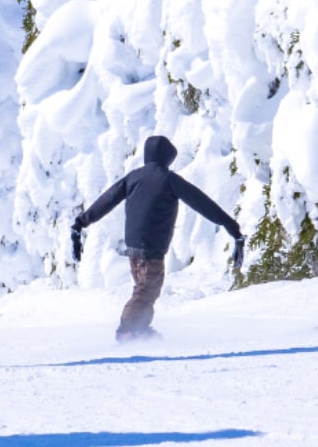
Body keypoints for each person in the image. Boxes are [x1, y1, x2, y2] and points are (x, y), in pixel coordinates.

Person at [72, 135, 242, 341]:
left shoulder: (133, 177)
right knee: (146, 291)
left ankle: (140, 329)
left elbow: (106, 200)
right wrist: (232, 228)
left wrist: (81, 222)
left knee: (145, 288)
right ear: (167, 157)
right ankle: (127, 330)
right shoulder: (168, 179)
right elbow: (203, 204)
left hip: (134, 247)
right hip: (151, 247)